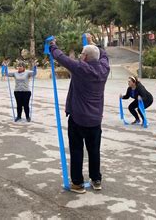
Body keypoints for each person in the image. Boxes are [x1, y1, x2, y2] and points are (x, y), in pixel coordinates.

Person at [48, 33, 110, 194]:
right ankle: (96, 180)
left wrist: (52, 45)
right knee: (94, 150)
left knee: (76, 150)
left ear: (86, 57)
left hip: (78, 118)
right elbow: (103, 54)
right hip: (96, 119)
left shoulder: (81, 68)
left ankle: (77, 184)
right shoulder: (104, 68)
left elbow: (61, 58)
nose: (80, 56)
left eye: (82, 54)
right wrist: (92, 43)